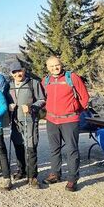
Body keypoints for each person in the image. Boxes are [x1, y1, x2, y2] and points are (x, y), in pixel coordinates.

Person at [42, 56, 89, 192]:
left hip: (69, 120)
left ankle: (72, 179)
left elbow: (84, 97)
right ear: (47, 68)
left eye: (56, 65)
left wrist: (75, 111)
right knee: (54, 149)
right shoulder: (46, 80)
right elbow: (43, 98)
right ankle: (55, 174)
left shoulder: (72, 77)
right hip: (51, 120)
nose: (54, 68)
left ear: (61, 64)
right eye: (51, 66)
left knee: (71, 150)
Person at [7, 61, 45, 189]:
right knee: (18, 145)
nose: (18, 73)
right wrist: (8, 106)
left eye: (19, 71)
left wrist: (31, 107)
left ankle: (33, 176)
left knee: (31, 146)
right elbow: (6, 101)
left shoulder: (33, 83)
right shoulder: (10, 85)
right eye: (14, 72)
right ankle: (22, 170)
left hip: (30, 119)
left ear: (24, 70)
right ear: (11, 74)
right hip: (15, 121)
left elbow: (42, 100)